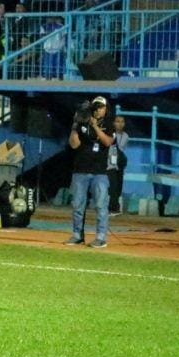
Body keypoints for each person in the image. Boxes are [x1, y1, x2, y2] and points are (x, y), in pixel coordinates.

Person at [66, 96, 113, 248]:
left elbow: (107, 142)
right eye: (97, 107)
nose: (99, 110)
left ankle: (101, 237)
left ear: (105, 109)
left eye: (102, 107)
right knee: (78, 205)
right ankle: (77, 235)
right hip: (80, 170)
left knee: (100, 205)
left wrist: (96, 127)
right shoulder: (83, 122)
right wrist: (75, 126)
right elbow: (74, 145)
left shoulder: (108, 123)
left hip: (100, 172)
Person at [107, 114, 128, 216]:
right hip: (110, 164)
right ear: (113, 123)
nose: (120, 124)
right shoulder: (109, 134)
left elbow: (119, 148)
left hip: (119, 163)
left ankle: (113, 208)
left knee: (119, 187)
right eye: (118, 121)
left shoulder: (125, 136)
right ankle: (113, 208)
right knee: (113, 186)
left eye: (122, 121)